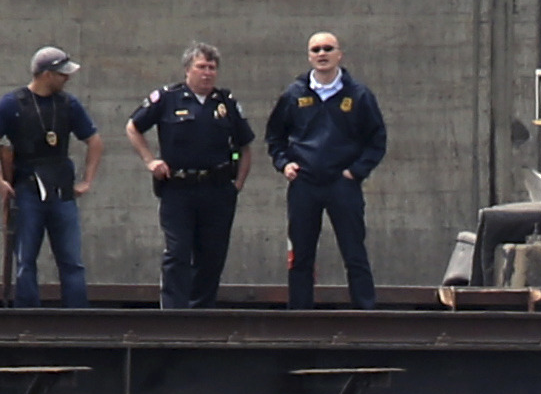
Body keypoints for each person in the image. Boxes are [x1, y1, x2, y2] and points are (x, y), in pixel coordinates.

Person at [127, 42, 254, 309]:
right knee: (178, 252)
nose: (207, 73)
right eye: (201, 67)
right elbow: (133, 127)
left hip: (217, 189)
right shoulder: (168, 98)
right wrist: (151, 161)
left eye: (212, 68)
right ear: (188, 69)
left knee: (212, 256)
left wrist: (238, 184)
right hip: (178, 189)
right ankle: (173, 314)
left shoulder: (226, 103)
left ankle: (202, 314)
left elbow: (245, 145)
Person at [265, 32, 386, 309]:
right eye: (316, 49)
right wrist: (284, 164)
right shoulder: (294, 94)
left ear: (339, 54)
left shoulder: (359, 95)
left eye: (328, 48)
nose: (322, 54)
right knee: (301, 255)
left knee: (354, 253)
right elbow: (275, 137)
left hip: (342, 184)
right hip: (304, 184)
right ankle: (300, 316)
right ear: (309, 56)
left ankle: (366, 314)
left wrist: (356, 171)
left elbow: (377, 140)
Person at [0, 45, 102, 307]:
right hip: (26, 189)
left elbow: (94, 141)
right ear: (46, 74)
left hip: (61, 190)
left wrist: (87, 180)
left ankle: (78, 320)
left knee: (72, 262)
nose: (66, 78)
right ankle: (28, 321)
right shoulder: (12, 103)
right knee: (25, 261)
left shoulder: (68, 104)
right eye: (61, 73)